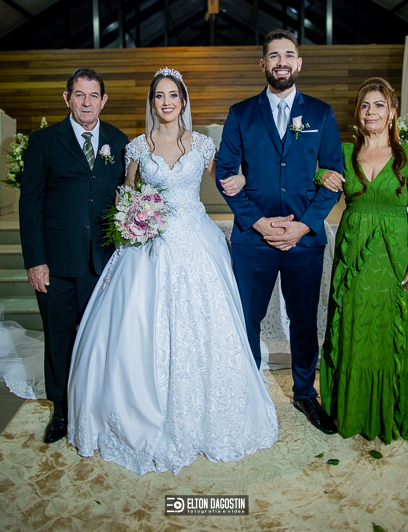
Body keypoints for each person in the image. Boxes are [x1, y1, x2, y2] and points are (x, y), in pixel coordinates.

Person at [67, 68, 278, 476]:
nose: (166, 102)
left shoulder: (201, 145)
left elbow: (227, 181)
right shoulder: (137, 147)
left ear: (183, 101)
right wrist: (133, 218)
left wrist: (245, 179)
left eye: (172, 95)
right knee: (140, 325)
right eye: (159, 96)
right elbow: (126, 194)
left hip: (197, 243)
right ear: (152, 103)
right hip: (148, 247)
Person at [216, 29, 343, 435]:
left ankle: (305, 393)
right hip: (253, 240)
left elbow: (334, 177)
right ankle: (248, 389)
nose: (281, 62)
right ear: (263, 64)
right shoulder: (241, 113)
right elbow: (225, 175)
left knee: (304, 320)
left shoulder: (320, 113)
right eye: (274, 55)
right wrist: (258, 222)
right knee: (247, 318)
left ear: (299, 63)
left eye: (288, 55)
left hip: (304, 239)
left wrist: (303, 225)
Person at [316, 77, 408, 443]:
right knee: (352, 330)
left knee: (388, 335)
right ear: (357, 112)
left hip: (395, 259)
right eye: (365, 105)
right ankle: (351, 409)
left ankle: (390, 409)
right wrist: (321, 173)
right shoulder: (344, 153)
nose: (371, 111)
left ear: (392, 113)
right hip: (353, 258)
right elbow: (309, 172)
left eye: (379, 105)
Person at [19, 68, 128, 444]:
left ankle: (96, 405)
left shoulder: (118, 140)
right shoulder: (44, 141)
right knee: (59, 337)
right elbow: (30, 204)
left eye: (93, 95)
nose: (86, 102)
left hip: (103, 262)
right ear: (67, 99)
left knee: (100, 338)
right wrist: (35, 261)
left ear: (104, 100)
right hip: (57, 262)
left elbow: (125, 196)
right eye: (79, 95)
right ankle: (62, 410)